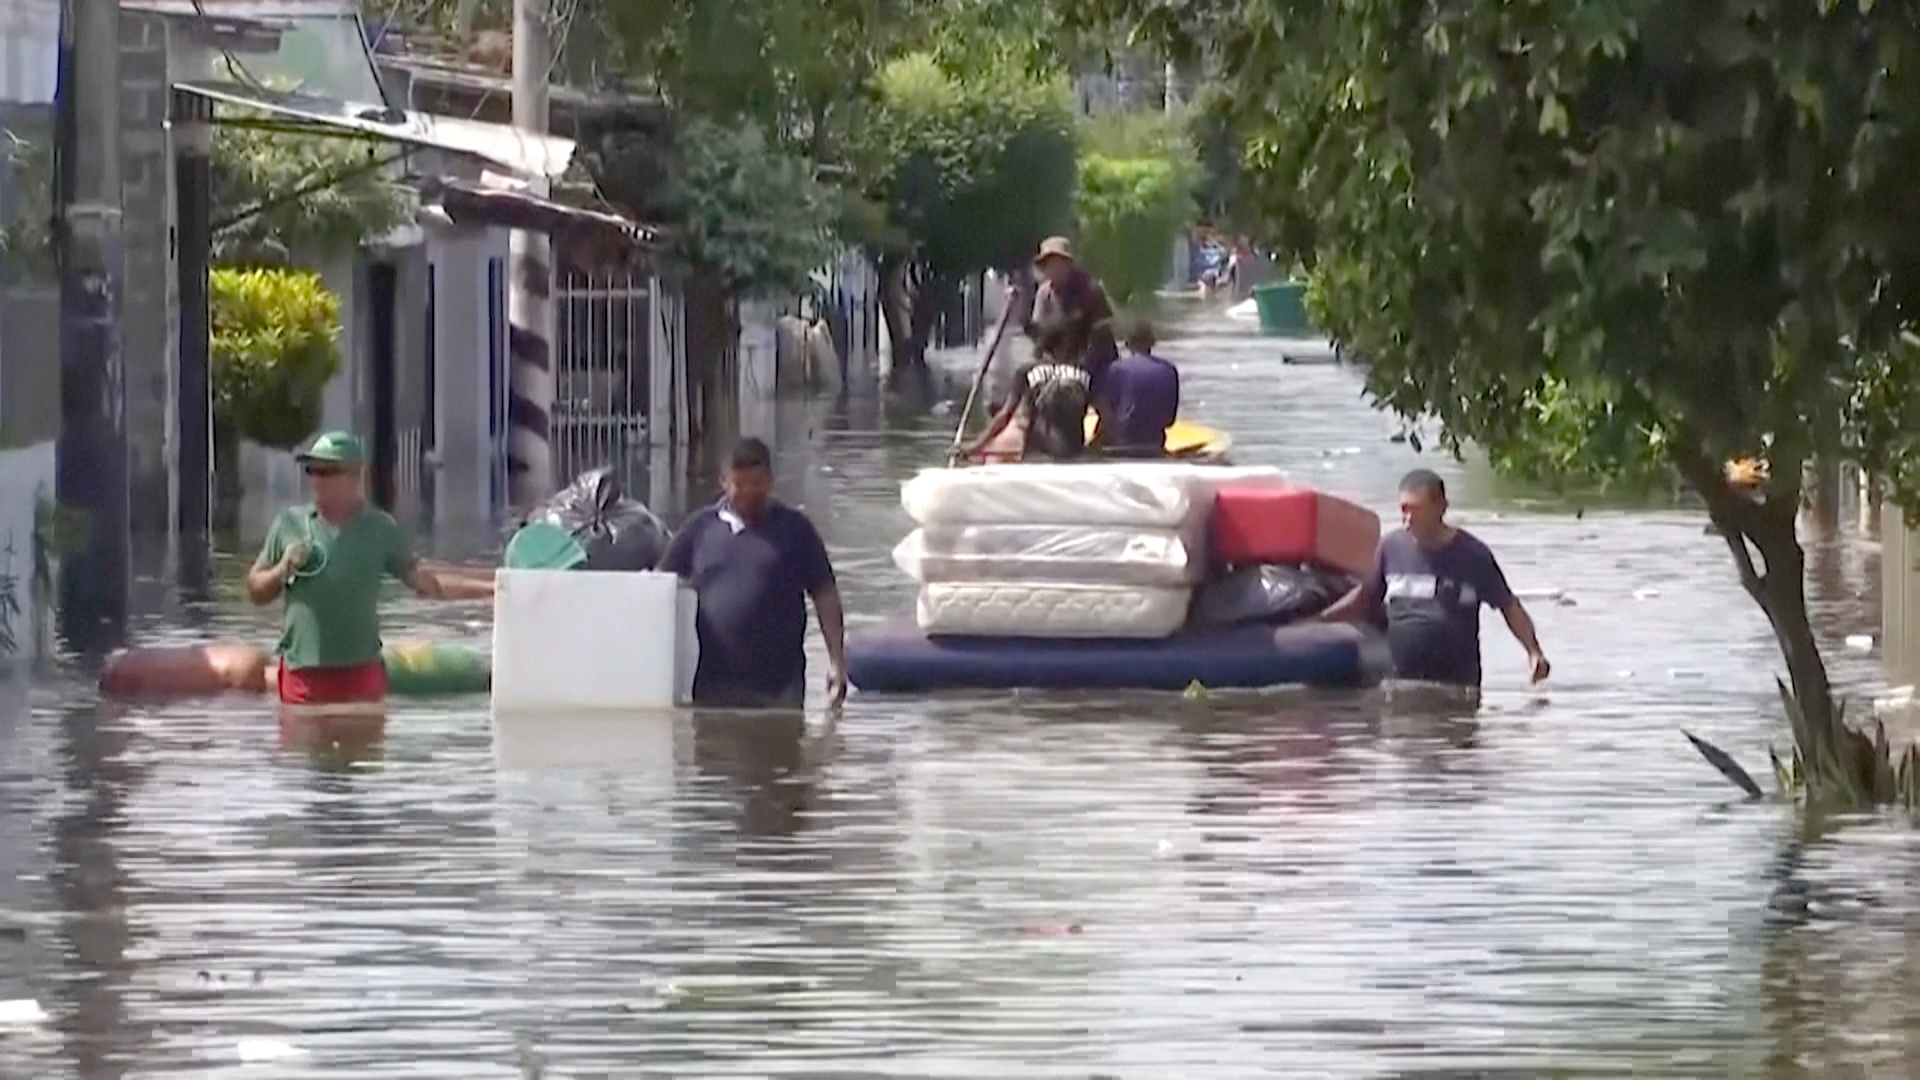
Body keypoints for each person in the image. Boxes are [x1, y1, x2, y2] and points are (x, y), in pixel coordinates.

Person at [247, 431, 494, 706]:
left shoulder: (380, 529)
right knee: (302, 747)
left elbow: (428, 584)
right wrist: (282, 569)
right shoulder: (290, 524)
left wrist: (495, 590)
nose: (317, 479)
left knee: (366, 746)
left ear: (354, 475)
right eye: (312, 470)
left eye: (327, 471)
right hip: (303, 675)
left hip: (361, 672)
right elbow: (255, 591)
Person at [659, 437, 849, 708]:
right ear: (724, 482)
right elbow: (659, 588)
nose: (749, 492)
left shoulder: (796, 530)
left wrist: (837, 663)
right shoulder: (698, 530)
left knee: (782, 747)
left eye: (757, 484)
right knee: (711, 748)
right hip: (713, 688)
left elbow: (825, 594)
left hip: (781, 688)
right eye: (740, 484)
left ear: (771, 482)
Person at [1321, 469, 1551, 688]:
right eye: (1403, 509)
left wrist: (1534, 652)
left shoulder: (1473, 555)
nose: (1407, 518)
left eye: (1416, 509)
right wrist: (1320, 620)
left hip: (1457, 686)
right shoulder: (1390, 548)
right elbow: (1364, 598)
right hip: (1402, 683)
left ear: (1441, 507)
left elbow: (1508, 606)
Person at [961, 323, 1093, 463]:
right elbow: (1104, 415)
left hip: (1037, 456)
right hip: (1073, 455)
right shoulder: (1083, 375)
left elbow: (1005, 415)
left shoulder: (1026, 371)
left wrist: (975, 446)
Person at [1023, 236, 1120, 389]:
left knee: (1083, 381)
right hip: (1058, 359)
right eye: (1049, 265)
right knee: (1024, 374)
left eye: (1058, 264)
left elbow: (1102, 334)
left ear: (1068, 265)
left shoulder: (1090, 290)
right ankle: (1017, 410)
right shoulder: (1044, 294)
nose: (1054, 269)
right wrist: (1042, 358)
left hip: (1092, 359)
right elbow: (1040, 336)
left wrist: (1079, 362)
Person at [1093, 320, 1181, 458]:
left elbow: (1106, 416)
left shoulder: (1115, 369)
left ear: (1127, 343)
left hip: (1120, 446)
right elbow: (1169, 420)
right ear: (1153, 342)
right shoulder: (1170, 370)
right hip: (1154, 445)